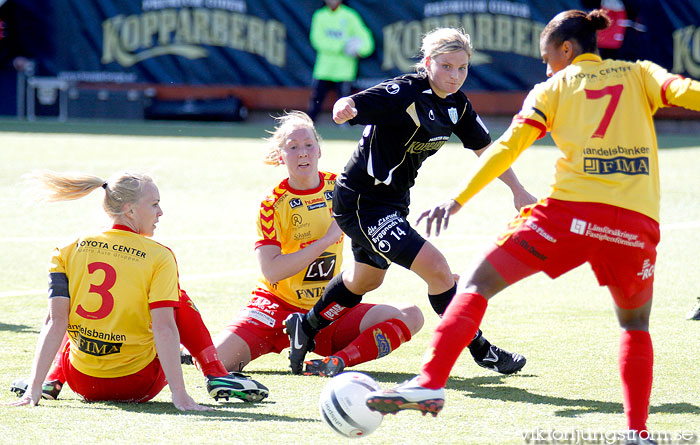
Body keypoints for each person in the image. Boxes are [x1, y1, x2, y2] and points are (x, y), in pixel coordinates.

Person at [364, 9, 700, 444]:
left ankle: (430, 383)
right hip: (635, 226)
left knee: (475, 284)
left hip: (568, 215)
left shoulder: (552, 88)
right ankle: (637, 433)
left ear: (565, 49)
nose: (545, 67)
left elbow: (505, 148)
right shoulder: (640, 74)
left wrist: (458, 199)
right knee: (635, 327)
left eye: (547, 57)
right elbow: (689, 92)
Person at [285, 27, 537, 377]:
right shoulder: (404, 91)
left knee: (364, 281)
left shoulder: (457, 105)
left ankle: (306, 326)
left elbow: (487, 151)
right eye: (447, 66)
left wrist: (518, 190)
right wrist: (345, 106)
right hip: (360, 201)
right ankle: (481, 349)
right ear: (428, 63)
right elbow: (357, 103)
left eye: (462, 68)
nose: (455, 76)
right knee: (436, 268)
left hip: (391, 204)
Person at [8, 171, 268, 410]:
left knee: (70, 306)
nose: (161, 212)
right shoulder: (159, 255)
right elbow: (164, 328)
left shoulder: (66, 248)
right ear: (129, 210)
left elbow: (55, 322)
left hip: (81, 381)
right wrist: (180, 395)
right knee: (177, 297)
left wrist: (31, 389)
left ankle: (49, 381)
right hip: (137, 382)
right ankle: (216, 373)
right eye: (154, 204)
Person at [210, 111, 423, 377]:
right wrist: (326, 241)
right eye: (293, 147)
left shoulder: (343, 189)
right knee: (215, 362)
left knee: (411, 315)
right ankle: (203, 347)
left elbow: (384, 229)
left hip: (328, 310)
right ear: (280, 156)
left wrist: (431, 271)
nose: (303, 153)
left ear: (319, 150)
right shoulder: (271, 204)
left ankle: (336, 362)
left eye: (309, 145)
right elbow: (272, 271)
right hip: (276, 308)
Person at [307, 0, 374, 122]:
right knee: (315, 102)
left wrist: (361, 50)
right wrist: (342, 47)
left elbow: (366, 41)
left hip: (344, 71)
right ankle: (309, 124)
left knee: (344, 104)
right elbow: (317, 40)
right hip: (324, 69)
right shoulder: (320, 15)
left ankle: (344, 126)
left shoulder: (350, 15)